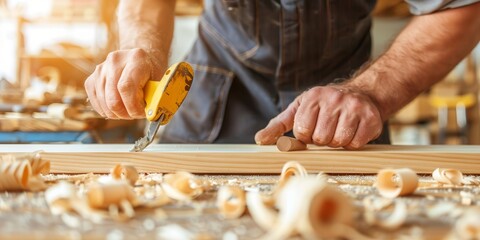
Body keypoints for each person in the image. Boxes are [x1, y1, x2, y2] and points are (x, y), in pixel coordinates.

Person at [85, 0, 480, 149]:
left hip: (345, 97)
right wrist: (143, 48)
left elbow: (460, 6)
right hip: (219, 88)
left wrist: (372, 91)